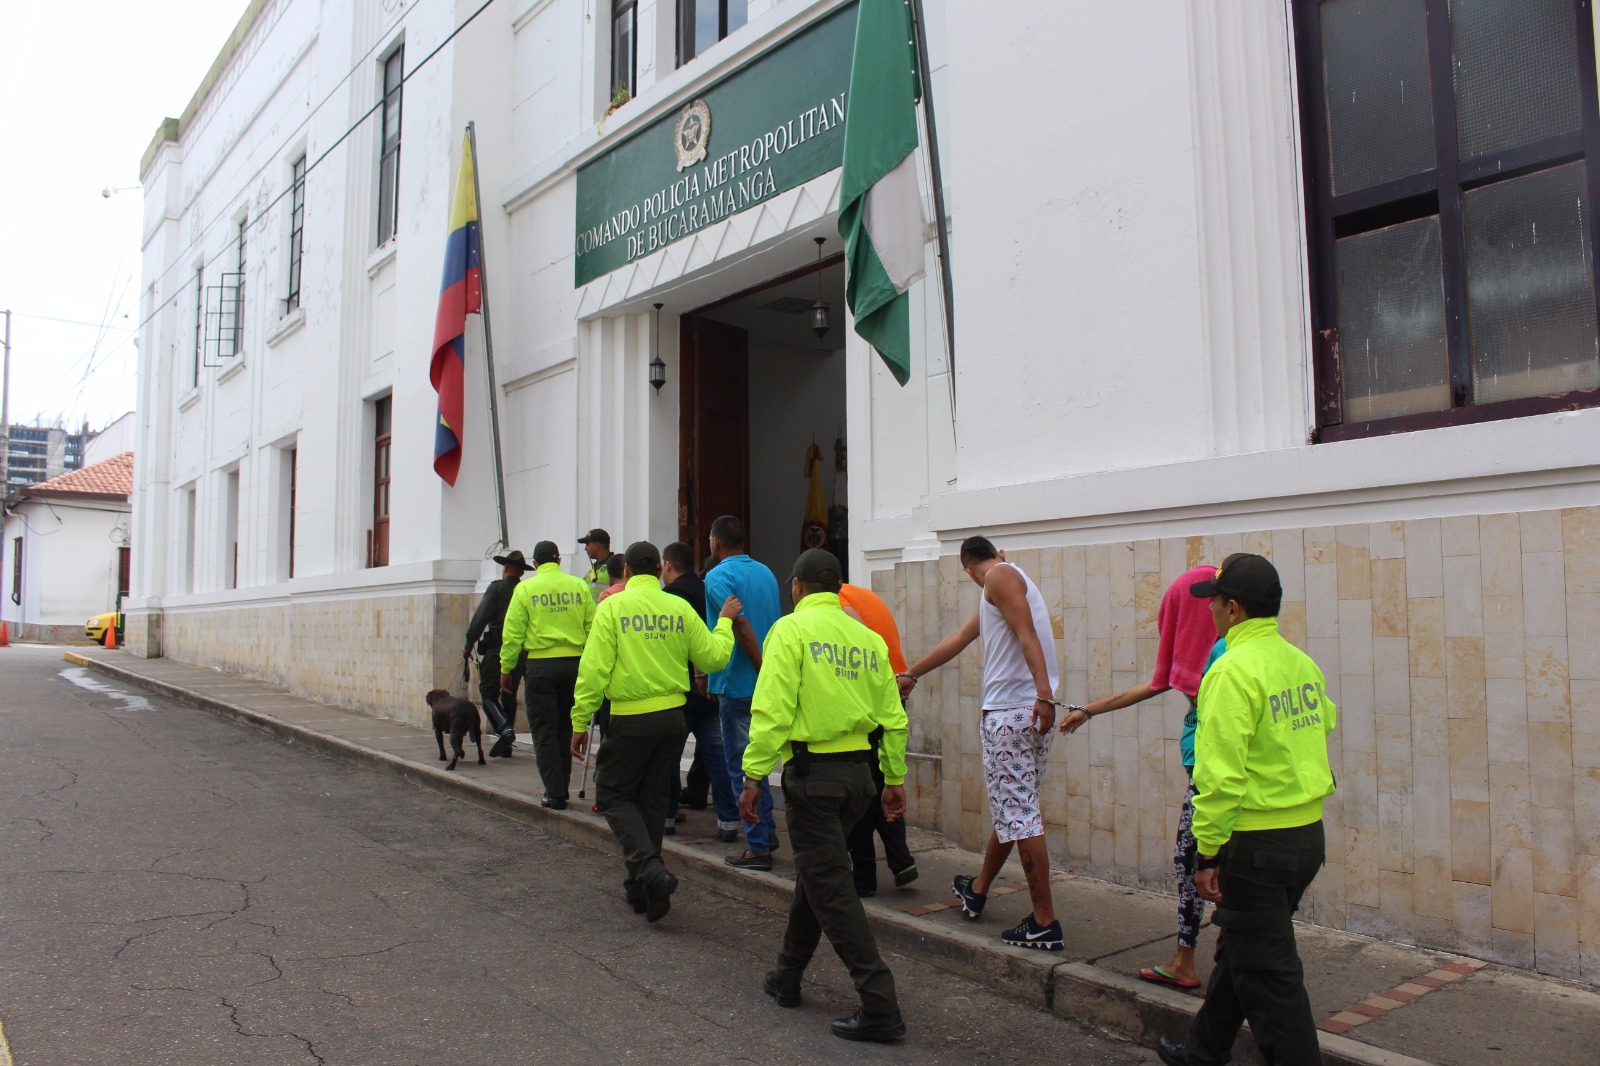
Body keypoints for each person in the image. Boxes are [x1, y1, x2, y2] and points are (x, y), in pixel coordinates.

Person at [1155, 554, 1337, 1066]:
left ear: (1232, 609)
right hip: (1305, 836)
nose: (1209, 612)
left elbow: (1219, 776)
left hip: (1256, 846)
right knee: (1244, 948)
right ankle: (1204, 1050)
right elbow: (1323, 725)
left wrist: (1208, 852)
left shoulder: (1230, 670)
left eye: (1213, 603)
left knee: (1274, 980)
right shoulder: (1300, 661)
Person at [745, 549, 909, 1044]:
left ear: (796, 587)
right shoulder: (866, 638)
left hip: (814, 777)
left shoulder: (789, 631)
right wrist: (894, 777)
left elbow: (771, 707)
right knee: (818, 876)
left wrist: (753, 776)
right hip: (859, 777)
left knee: (831, 886)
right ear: (837, 589)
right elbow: (894, 715)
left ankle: (880, 1003)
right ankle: (787, 975)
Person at [1059, 565, 1221, 988]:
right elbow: (1153, 684)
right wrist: (1088, 709)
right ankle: (1198, 961)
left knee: (1196, 864)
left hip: (1216, 776)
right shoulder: (1231, 653)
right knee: (1198, 864)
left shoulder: (1223, 662)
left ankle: (1196, 963)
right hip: (1216, 773)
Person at [898, 536, 1063, 950]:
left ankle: (1044, 920)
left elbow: (1028, 634)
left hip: (1011, 714)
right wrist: (912, 673)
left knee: (1021, 814)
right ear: (998, 553)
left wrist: (1044, 693)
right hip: (1025, 714)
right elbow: (958, 638)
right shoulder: (1002, 585)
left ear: (967, 570)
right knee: (1016, 810)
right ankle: (979, 887)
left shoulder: (999, 578)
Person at [570, 541, 742, 923]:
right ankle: (644, 889)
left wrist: (580, 720)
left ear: (627, 571)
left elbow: (594, 669)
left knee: (614, 796)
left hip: (631, 717)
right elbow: (713, 657)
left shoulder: (612, 607)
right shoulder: (677, 607)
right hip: (671, 719)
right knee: (650, 801)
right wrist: (726, 622)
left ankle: (651, 872)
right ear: (659, 568)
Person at [703, 515, 783, 870]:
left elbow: (741, 626)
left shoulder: (718, 576)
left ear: (715, 541)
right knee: (759, 763)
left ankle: (757, 847)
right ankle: (765, 831)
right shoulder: (765, 572)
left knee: (740, 767)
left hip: (740, 683)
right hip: (765, 682)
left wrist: (761, 670)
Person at [501, 540, 595, 809]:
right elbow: (593, 628)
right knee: (567, 726)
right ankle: (562, 784)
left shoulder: (525, 588)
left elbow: (513, 634)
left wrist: (507, 669)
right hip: (574, 665)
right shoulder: (578, 586)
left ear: (534, 564)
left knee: (544, 731)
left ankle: (554, 792)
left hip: (540, 666)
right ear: (560, 561)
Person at [838, 581, 917, 896]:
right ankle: (902, 862)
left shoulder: (838, 601)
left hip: (876, 694)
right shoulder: (862, 594)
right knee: (883, 783)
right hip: (893, 686)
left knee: (863, 792)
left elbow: (860, 638)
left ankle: (864, 878)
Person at [660, 541, 741, 844]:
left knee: (669, 755)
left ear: (667, 565)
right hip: (711, 687)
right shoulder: (707, 588)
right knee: (717, 755)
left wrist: (696, 674)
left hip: (682, 687)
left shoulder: (668, 598)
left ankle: (666, 817)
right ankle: (729, 821)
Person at [462, 549, 530, 758]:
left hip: (497, 649)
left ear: (506, 568)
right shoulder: (526, 590)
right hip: (521, 650)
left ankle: (504, 730)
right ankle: (507, 744)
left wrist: (468, 643)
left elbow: (481, 618)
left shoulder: (496, 589)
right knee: (508, 692)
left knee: (489, 692)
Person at [579, 528, 616, 598]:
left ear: (597, 545)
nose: (585, 549)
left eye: (587, 544)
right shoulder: (592, 568)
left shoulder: (615, 565)